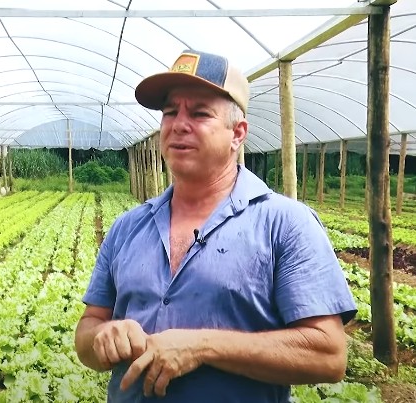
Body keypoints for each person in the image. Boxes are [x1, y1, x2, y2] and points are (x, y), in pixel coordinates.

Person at [74, 49, 358, 402]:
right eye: (169, 112)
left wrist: (202, 346)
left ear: (237, 134)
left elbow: (327, 356)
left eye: (199, 113)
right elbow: (87, 331)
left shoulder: (285, 224)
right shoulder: (127, 227)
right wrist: (103, 337)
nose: (178, 124)